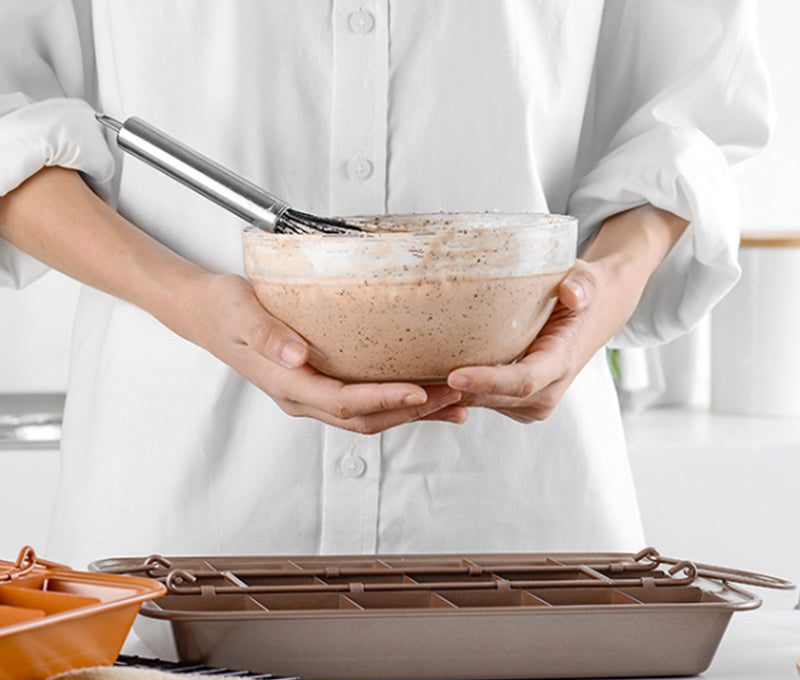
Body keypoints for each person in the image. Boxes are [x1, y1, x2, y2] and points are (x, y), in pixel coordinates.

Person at [0, 1, 772, 569]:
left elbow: (689, 118)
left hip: (523, 525)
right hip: (175, 521)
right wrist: (185, 299)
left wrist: (602, 289)